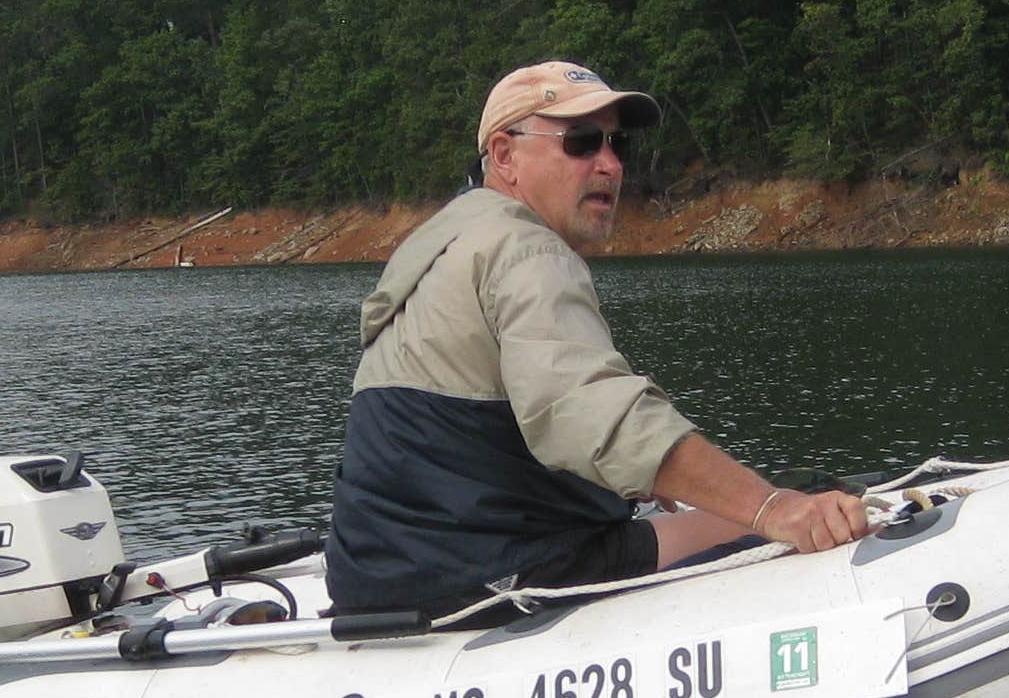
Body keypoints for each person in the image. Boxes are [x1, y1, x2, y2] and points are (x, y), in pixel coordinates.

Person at [323, 62, 873, 618]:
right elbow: (597, 415)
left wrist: (627, 479)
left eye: (616, 145)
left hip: (376, 577)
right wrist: (774, 508)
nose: (609, 164)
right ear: (505, 155)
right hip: (485, 575)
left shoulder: (442, 247)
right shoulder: (524, 251)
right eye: (581, 142)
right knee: (767, 520)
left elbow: (484, 430)